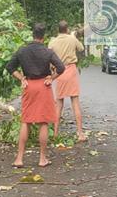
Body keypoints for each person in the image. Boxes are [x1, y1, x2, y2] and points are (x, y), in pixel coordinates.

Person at [6, 23, 65, 168]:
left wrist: (21, 78)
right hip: (43, 86)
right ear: (43, 37)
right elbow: (61, 67)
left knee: (26, 120)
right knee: (43, 122)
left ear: (32, 35)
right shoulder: (47, 51)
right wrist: (52, 77)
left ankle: (19, 159)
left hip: (29, 86)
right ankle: (42, 159)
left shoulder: (22, 51)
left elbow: (10, 67)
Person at [48, 20, 86, 141]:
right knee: (75, 102)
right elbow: (81, 48)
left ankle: (55, 133)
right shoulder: (72, 38)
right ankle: (80, 133)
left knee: (59, 104)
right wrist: (74, 36)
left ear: (57, 30)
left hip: (59, 72)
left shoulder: (53, 42)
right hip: (71, 70)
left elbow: (49, 57)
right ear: (67, 29)